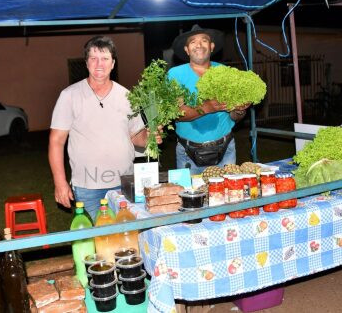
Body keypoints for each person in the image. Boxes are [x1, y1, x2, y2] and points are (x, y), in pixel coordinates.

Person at [48, 36, 159, 219]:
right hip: (88, 188)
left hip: (124, 183)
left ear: (113, 63)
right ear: (86, 63)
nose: (99, 64)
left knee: (126, 237)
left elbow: (137, 137)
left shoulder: (127, 96)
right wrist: (60, 183)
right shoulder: (69, 96)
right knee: (99, 241)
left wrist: (152, 136)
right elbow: (56, 141)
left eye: (105, 58)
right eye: (93, 58)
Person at [167, 25, 250, 174]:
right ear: (186, 50)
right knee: (189, 195)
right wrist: (207, 107)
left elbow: (235, 117)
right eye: (193, 42)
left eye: (204, 41)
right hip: (188, 154)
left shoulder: (225, 73)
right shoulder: (175, 75)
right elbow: (176, 113)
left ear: (211, 47)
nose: (199, 45)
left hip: (226, 151)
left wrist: (240, 110)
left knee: (227, 195)